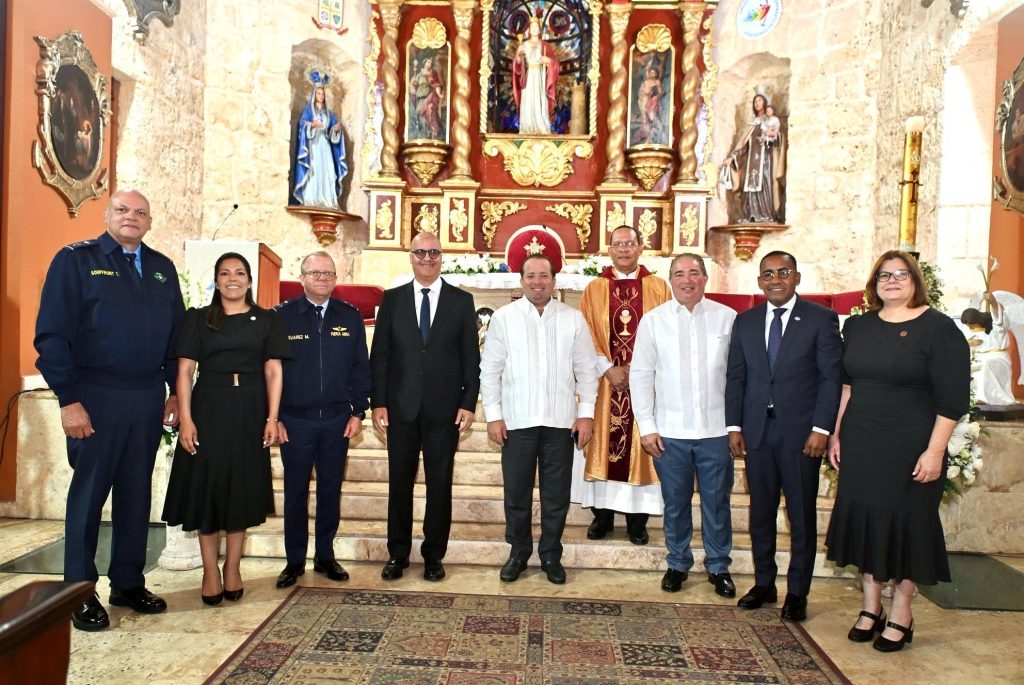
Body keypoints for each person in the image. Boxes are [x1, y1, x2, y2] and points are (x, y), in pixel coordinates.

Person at [35, 189, 184, 631]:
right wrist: (68, 399)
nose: (131, 218)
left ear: (150, 220)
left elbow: (176, 338)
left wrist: (174, 392)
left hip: (145, 397)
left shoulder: (161, 268)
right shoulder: (75, 260)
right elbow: (52, 335)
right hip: (94, 396)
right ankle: (78, 592)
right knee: (89, 496)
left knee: (136, 494)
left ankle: (127, 582)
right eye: (122, 210)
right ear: (107, 216)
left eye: (140, 212)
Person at [825, 251, 969, 652]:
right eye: (884, 275)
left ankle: (902, 611)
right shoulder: (857, 326)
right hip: (862, 441)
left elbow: (953, 400)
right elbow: (847, 386)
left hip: (910, 446)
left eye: (901, 274)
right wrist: (837, 435)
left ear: (914, 280)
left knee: (906, 527)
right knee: (867, 523)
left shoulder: (938, 329)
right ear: (874, 283)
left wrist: (935, 452)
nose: (892, 281)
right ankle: (871, 608)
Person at [162, 252, 291, 605]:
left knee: (240, 490)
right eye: (224, 273)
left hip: (250, 408)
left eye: (239, 273)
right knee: (208, 489)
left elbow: (274, 372)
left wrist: (272, 417)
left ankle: (232, 568)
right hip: (208, 407)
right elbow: (185, 372)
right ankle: (209, 570)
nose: (232, 279)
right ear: (216, 280)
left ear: (249, 281)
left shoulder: (266, 320)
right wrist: (186, 419)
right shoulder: (199, 319)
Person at [725, 250, 842, 621]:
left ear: (796, 277)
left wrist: (821, 428)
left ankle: (797, 591)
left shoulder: (821, 320)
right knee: (761, 513)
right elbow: (736, 377)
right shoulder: (745, 321)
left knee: (801, 515)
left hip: (801, 433)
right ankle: (764, 583)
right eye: (768, 274)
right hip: (757, 431)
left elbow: (830, 378)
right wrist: (734, 426)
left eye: (783, 272)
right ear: (759, 281)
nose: (775, 279)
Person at [481, 253, 599, 585]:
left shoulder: (573, 318)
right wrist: (494, 416)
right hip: (517, 421)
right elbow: (490, 370)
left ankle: (550, 554)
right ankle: (518, 552)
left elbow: (587, 371)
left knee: (556, 495)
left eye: (543, 275)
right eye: (531, 275)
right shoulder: (504, 318)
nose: (537, 281)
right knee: (516, 494)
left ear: (554, 280)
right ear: (521, 281)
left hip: (561, 422)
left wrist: (586, 414)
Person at [370, 232, 480, 582]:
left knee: (439, 484)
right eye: (421, 252)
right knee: (399, 485)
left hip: (444, 412)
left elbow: (470, 360)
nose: (427, 258)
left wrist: (468, 403)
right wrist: (379, 403)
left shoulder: (461, 302)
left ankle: (434, 555)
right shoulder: (392, 300)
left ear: (441, 257)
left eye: (433, 252)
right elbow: (381, 357)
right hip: (400, 410)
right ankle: (397, 554)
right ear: (411, 256)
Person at [630, 254, 737, 596]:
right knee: (675, 502)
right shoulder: (653, 321)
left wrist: (737, 426)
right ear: (670, 280)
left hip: (716, 431)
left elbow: (739, 378)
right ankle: (678, 562)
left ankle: (718, 566)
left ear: (705, 278)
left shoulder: (728, 319)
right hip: (669, 432)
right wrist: (646, 425)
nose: (686, 279)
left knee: (716, 502)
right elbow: (642, 374)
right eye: (679, 274)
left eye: (694, 273)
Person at [274, 251, 371, 589]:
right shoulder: (283, 317)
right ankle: (294, 560)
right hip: (294, 421)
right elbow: (270, 372)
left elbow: (361, 367)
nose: (322, 279)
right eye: (314, 273)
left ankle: (325, 556)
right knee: (295, 491)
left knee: (330, 490)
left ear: (335, 278)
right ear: (302, 277)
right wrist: (275, 418)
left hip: (336, 420)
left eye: (328, 273)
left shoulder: (350, 316)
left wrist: (359, 411)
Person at [573, 225, 670, 546]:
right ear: (609, 249)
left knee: (639, 447)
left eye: (630, 244)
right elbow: (584, 334)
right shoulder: (594, 288)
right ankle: (601, 516)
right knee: (604, 445)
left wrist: (636, 369)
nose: (624, 249)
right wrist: (608, 369)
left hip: (646, 383)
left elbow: (665, 334)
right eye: (618, 244)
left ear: (641, 247)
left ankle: (637, 522)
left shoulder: (658, 287)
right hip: (605, 385)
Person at [726, 94, 786, 224]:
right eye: (755, 102)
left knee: (764, 184)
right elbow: (744, 145)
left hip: (766, 159)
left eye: (759, 100)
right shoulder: (752, 124)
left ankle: (766, 213)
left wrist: (771, 139)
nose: (757, 103)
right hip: (751, 160)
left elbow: (777, 137)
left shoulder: (771, 120)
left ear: (765, 103)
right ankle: (751, 214)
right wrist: (733, 157)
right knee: (748, 185)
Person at [293, 79, 347, 209]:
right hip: (313, 145)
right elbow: (302, 124)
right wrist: (312, 125)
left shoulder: (329, 113)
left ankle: (327, 199)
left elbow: (331, 131)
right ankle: (311, 199)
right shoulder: (308, 110)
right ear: (314, 94)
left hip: (325, 144)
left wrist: (336, 129)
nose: (321, 96)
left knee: (327, 169)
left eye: (323, 94)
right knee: (314, 169)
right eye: (318, 93)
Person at [512, 12, 560, 135]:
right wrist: (518, 55)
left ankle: (541, 127)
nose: (534, 29)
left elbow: (555, 64)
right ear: (529, 30)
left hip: (540, 77)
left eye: (536, 27)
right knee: (528, 100)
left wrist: (548, 61)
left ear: (539, 30)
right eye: (532, 27)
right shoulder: (523, 45)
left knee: (539, 101)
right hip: (528, 78)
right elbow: (517, 66)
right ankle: (527, 127)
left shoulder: (545, 46)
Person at [409, 56, 445, 140]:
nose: (430, 64)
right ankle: (424, 134)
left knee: (430, 109)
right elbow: (412, 85)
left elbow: (436, 85)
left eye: (431, 63)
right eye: (428, 62)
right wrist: (412, 83)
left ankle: (434, 130)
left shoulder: (433, 74)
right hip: (420, 98)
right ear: (424, 63)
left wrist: (439, 94)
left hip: (430, 97)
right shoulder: (419, 75)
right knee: (422, 117)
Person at [634, 66, 665, 145]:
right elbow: (640, 91)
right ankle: (646, 132)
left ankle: (654, 133)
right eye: (651, 72)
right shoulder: (645, 82)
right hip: (643, 100)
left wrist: (656, 95)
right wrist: (642, 95)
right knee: (645, 115)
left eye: (654, 73)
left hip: (651, 100)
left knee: (652, 117)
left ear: (656, 74)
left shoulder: (656, 82)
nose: (652, 74)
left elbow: (660, 92)